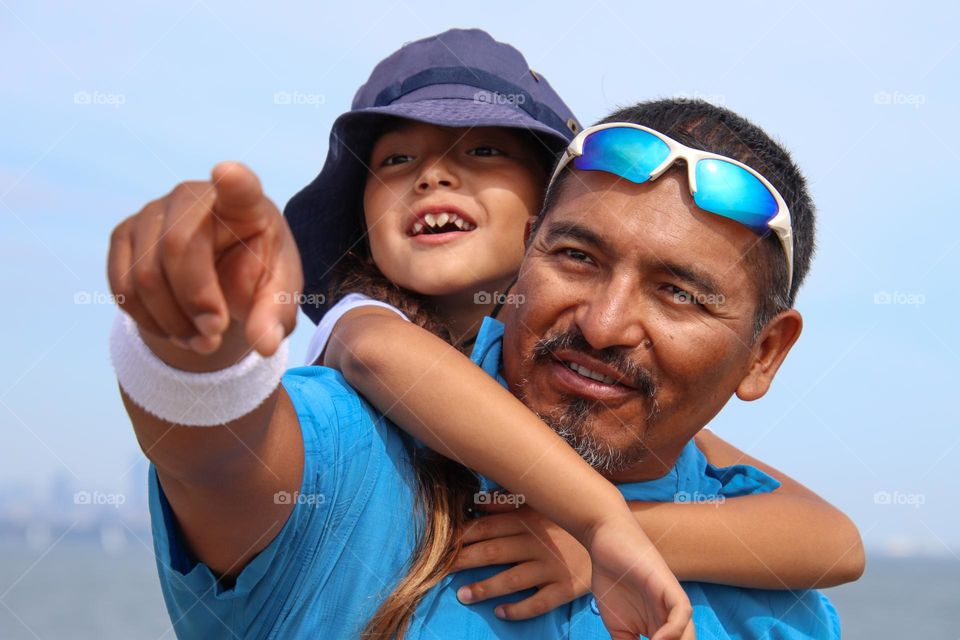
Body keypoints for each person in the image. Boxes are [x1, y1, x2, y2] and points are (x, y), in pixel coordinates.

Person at [105, 30, 858, 640]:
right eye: (575, 256)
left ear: (764, 355)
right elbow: (213, 452)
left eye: (679, 293)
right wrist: (187, 338)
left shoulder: (777, 599)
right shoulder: (355, 442)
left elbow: (836, 539)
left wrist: (614, 532)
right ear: (528, 252)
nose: (603, 324)